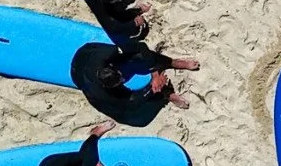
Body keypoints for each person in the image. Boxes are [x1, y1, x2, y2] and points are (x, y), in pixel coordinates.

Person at [70, 40, 199, 126]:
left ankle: (174, 63)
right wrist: (151, 89)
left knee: (140, 56)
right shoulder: (101, 93)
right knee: (132, 115)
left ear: (111, 66)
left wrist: (154, 72)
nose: (123, 80)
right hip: (80, 78)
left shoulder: (108, 54)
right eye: (119, 82)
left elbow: (140, 47)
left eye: (120, 77)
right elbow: (130, 102)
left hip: (86, 52)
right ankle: (165, 94)